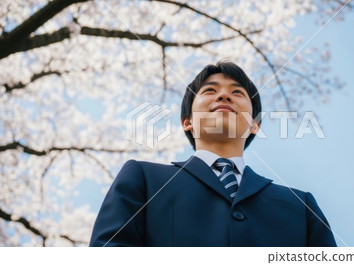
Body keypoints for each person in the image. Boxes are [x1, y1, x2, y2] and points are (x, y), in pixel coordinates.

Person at [89, 61, 337, 247]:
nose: (224, 95)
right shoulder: (143, 178)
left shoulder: (300, 205)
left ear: (255, 124)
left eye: (238, 93)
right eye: (209, 91)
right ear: (187, 122)